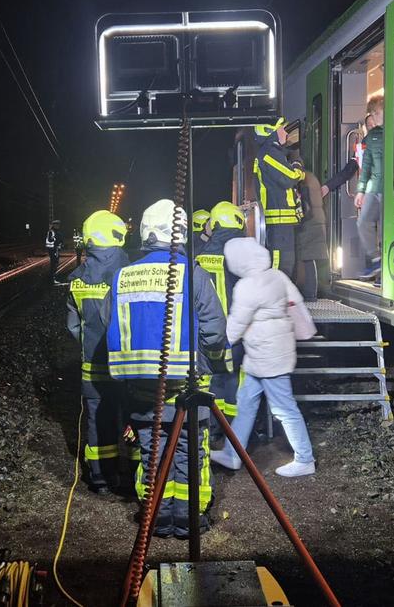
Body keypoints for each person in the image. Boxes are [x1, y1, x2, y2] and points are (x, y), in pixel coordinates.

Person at [107, 199, 229, 539]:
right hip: (187, 386)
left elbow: (109, 326)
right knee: (191, 453)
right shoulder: (192, 273)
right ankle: (189, 520)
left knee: (152, 452)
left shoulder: (123, 275)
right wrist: (208, 357)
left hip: (141, 388)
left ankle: (158, 519)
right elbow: (215, 331)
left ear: (147, 232)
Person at [211, 237, 315, 477]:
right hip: (271, 352)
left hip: (268, 357)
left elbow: (236, 325)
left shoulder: (248, 286)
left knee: (284, 409)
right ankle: (232, 453)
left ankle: (305, 458)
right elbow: (296, 302)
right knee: (246, 402)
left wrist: (216, 341)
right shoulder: (276, 275)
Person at [66, 211, 131, 495]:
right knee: (133, 417)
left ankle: (101, 479)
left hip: (93, 366)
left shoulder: (76, 278)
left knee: (97, 421)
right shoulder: (130, 270)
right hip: (129, 366)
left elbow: (73, 327)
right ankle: (134, 479)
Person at [197, 201, 246, 423]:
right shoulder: (246, 255)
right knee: (236, 383)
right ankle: (237, 434)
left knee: (212, 383)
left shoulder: (199, 256)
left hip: (210, 332)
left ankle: (213, 427)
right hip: (238, 334)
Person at [252, 117, 304, 274]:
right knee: (280, 266)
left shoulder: (273, 153)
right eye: (282, 129)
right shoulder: (269, 154)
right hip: (278, 221)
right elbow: (290, 178)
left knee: (285, 264)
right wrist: (297, 165)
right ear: (272, 133)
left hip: (281, 221)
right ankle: (276, 298)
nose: (286, 133)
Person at [355, 96, 385, 279]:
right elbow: (366, 165)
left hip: (391, 188)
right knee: (363, 222)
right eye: (372, 114)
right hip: (374, 188)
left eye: (376, 113)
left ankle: (384, 274)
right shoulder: (372, 137)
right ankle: (376, 259)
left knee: (384, 230)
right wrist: (360, 190)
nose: (374, 117)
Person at [294, 159, 326, 301]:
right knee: (310, 259)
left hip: (309, 223)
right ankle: (311, 293)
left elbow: (305, 206)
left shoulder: (302, 181)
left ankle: (310, 295)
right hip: (318, 220)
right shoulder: (312, 177)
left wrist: (298, 222)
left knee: (306, 260)